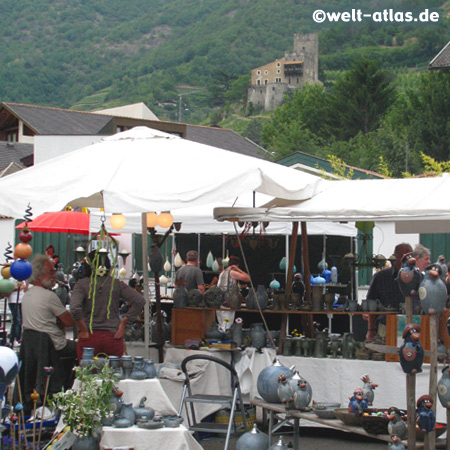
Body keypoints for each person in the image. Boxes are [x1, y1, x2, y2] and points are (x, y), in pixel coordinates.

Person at [70, 250, 145, 361]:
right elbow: (139, 300)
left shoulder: (82, 285)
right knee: (113, 375)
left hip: (89, 335)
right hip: (113, 336)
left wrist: (83, 329)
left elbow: (75, 308)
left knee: (87, 375)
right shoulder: (116, 284)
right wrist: (124, 322)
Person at [22, 254, 77, 358]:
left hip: (33, 346)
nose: (54, 276)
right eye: (51, 272)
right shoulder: (49, 296)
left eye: (54, 272)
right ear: (38, 275)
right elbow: (69, 322)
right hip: (53, 345)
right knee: (83, 349)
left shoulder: (27, 295)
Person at [366, 243, 413, 338]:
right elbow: (371, 303)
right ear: (395, 257)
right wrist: (371, 330)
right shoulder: (380, 277)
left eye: (409, 257)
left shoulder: (415, 278)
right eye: (403, 257)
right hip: (385, 326)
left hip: (409, 325)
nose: (406, 261)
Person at [7, 279, 30, 346]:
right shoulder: (12, 279)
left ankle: (17, 338)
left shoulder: (23, 278)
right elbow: (10, 288)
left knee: (20, 320)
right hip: (13, 300)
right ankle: (14, 338)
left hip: (21, 300)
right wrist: (20, 287)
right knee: (17, 320)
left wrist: (26, 283)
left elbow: (25, 288)